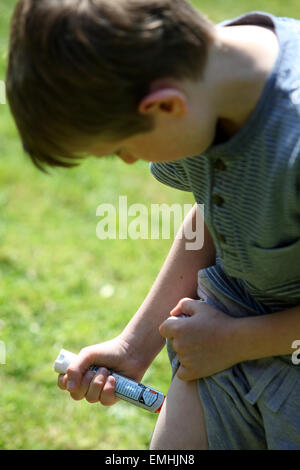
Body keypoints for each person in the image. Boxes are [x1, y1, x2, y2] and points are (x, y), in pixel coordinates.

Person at [6, 0, 300, 450]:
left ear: (164, 105)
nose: (129, 161)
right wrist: (134, 345)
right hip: (220, 334)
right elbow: (215, 215)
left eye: (123, 148)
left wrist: (236, 341)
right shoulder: (204, 80)